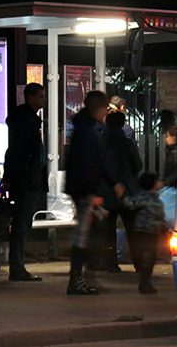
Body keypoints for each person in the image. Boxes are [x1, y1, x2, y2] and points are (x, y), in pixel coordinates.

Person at [65, 90, 119, 295]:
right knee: (83, 235)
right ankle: (77, 279)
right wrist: (94, 190)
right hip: (85, 190)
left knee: (87, 234)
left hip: (81, 189)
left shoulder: (83, 128)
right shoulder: (88, 131)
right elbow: (91, 163)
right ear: (100, 108)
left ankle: (82, 277)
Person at [1, 82, 48, 282]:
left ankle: (18, 266)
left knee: (22, 222)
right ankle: (17, 267)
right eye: (41, 96)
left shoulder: (26, 119)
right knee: (22, 223)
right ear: (32, 98)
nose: (45, 99)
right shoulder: (27, 121)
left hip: (24, 178)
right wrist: (10, 176)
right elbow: (19, 152)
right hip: (26, 179)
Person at [101, 110, 142, 273]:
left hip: (107, 192)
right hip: (127, 192)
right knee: (132, 229)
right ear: (122, 123)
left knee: (108, 230)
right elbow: (138, 165)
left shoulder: (100, 143)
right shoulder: (127, 143)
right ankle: (139, 263)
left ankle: (111, 264)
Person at [117, 172, 168, 294]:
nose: (161, 182)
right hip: (145, 232)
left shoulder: (154, 197)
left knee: (151, 258)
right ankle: (144, 284)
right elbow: (130, 203)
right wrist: (121, 196)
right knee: (148, 258)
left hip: (152, 232)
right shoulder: (145, 197)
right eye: (158, 180)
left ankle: (146, 282)